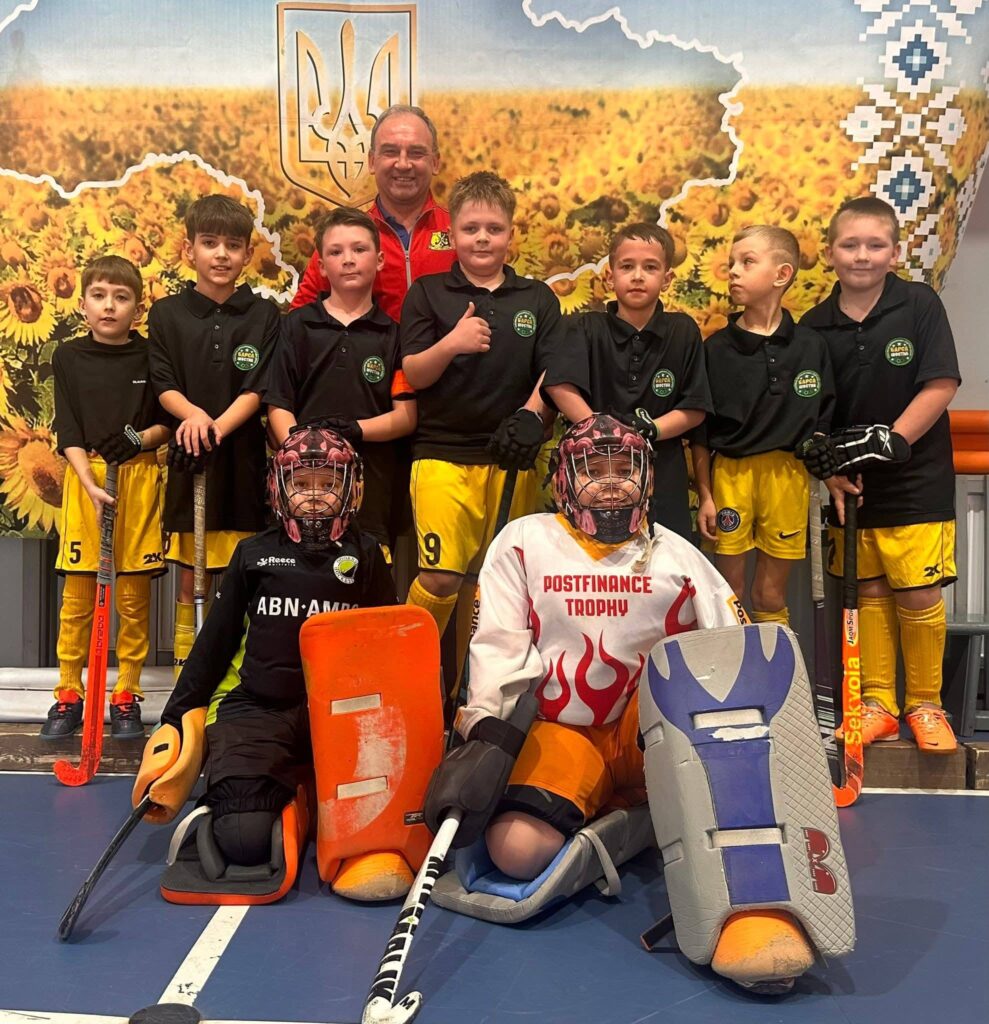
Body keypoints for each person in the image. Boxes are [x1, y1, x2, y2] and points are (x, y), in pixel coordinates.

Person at [423, 414, 854, 992]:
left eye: (624, 468)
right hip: (565, 730)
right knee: (515, 851)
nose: (610, 483)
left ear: (647, 480)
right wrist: (486, 732)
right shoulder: (524, 542)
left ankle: (755, 907)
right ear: (563, 480)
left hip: (653, 736)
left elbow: (732, 650)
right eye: (593, 469)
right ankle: (643, 812)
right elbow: (499, 646)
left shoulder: (678, 555)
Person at [136, 426, 400, 901]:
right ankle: (298, 794)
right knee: (243, 837)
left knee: (375, 819)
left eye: (328, 483)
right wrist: (175, 719)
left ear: (351, 488)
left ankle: (306, 787)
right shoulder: (253, 554)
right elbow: (213, 645)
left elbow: (389, 652)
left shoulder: (368, 557)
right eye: (302, 483)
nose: (314, 496)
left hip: (340, 719)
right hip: (259, 709)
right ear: (280, 488)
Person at [399, 170, 586, 660]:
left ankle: (468, 693)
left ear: (511, 234)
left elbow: (552, 370)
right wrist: (452, 343)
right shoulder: (428, 292)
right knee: (441, 577)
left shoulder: (537, 297)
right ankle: (405, 674)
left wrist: (531, 414)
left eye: (494, 229)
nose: (482, 238)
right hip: (442, 457)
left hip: (511, 460)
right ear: (452, 233)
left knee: (493, 584)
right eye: (471, 228)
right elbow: (415, 372)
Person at [799, 196, 961, 753]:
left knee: (917, 591)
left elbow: (941, 384)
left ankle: (926, 705)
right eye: (850, 245)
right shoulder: (814, 326)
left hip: (918, 480)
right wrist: (833, 474)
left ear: (895, 252)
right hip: (854, 488)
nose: (862, 255)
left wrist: (891, 442)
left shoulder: (919, 304)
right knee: (865, 590)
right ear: (830, 252)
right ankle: (877, 705)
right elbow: (814, 414)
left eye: (875, 245)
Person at [148, 194, 279, 679]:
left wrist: (217, 427)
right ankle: (188, 672)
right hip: (190, 456)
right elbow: (163, 383)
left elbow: (260, 387)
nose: (221, 254)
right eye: (209, 243)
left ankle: (242, 673)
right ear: (189, 250)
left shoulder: (264, 315)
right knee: (192, 575)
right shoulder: (166, 314)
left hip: (242, 459)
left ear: (248, 254)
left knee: (249, 572)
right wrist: (194, 419)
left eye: (233, 245)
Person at [43, 255, 171, 740]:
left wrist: (138, 439)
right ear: (83, 304)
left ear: (138, 307)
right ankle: (69, 693)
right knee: (78, 598)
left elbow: (168, 422)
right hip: (86, 479)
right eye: (99, 296)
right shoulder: (68, 356)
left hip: (138, 478)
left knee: (133, 601)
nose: (109, 306)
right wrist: (88, 482)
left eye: (121, 297)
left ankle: (126, 694)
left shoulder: (152, 355)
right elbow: (68, 428)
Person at [693, 226, 834, 626]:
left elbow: (824, 415)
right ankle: (733, 667)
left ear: (781, 274)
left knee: (770, 594)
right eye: (731, 263)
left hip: (788, 476)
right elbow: (700, 433)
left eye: (747, 262)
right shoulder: (715, 349)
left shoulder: (811, 346)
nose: (733, 271)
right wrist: (705, 495)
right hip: (731, 476)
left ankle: (774, 667)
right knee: (730, 592)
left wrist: (821, 446)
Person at [266, 208, 415, 556]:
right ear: (320, 266)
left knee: (369, 577)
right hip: (303, 489)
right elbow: (278, 404)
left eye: (359, 249)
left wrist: (356, 430)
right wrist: (306, 452)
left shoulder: (395, 335)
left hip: (372, 491)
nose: (348, 259)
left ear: (379, 260)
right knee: (304, 579)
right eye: (336, 252)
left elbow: (406, 417)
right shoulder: (297, 326)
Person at [565, 222, 711, 539]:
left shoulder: (683, 331)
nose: (638, 276)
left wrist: (653, 429)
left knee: (666, 556)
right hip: (594, 470)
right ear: (609, 276)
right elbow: (560, 386)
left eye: (650, 267)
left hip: (664, 472)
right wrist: (603, 432)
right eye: (627, 266)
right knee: (593, 555)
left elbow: (695, 407)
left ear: (667, 279)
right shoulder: (587, 327)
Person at [290, 104, 455, 319]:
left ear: (435, 162)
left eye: (416, 153)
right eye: (390, 152)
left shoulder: (461, 232)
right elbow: (298, 319)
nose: (403, 164)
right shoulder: (344, 237)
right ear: (371, 161)